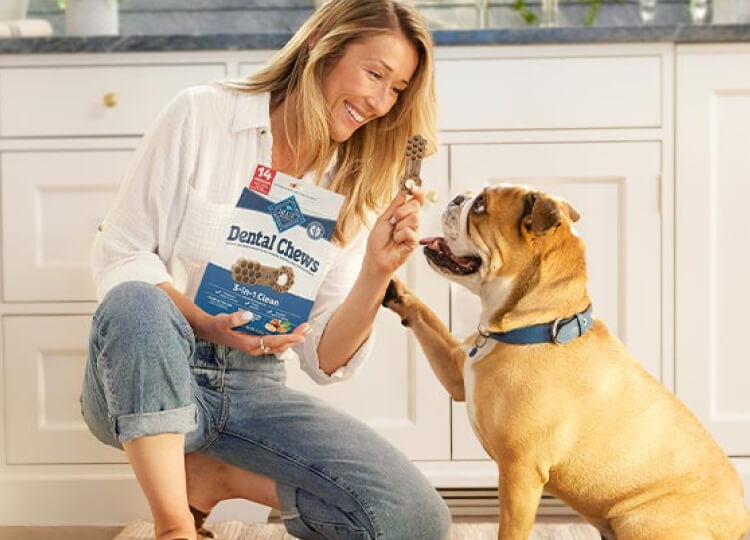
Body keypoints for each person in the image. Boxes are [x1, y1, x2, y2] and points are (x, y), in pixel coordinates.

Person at [80, 1, 452, 539]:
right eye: (374, 73)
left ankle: (216, 475)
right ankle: (173, 526)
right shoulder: (202, 115)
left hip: (252, 389)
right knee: (136, 298)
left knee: (416, 522)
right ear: (321, 43)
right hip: (151, 370)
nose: (378, 102)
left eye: (396, 89)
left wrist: (376, 270)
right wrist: (203, 323)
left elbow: (325, 359)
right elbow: (120, 253)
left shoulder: (355, 182)